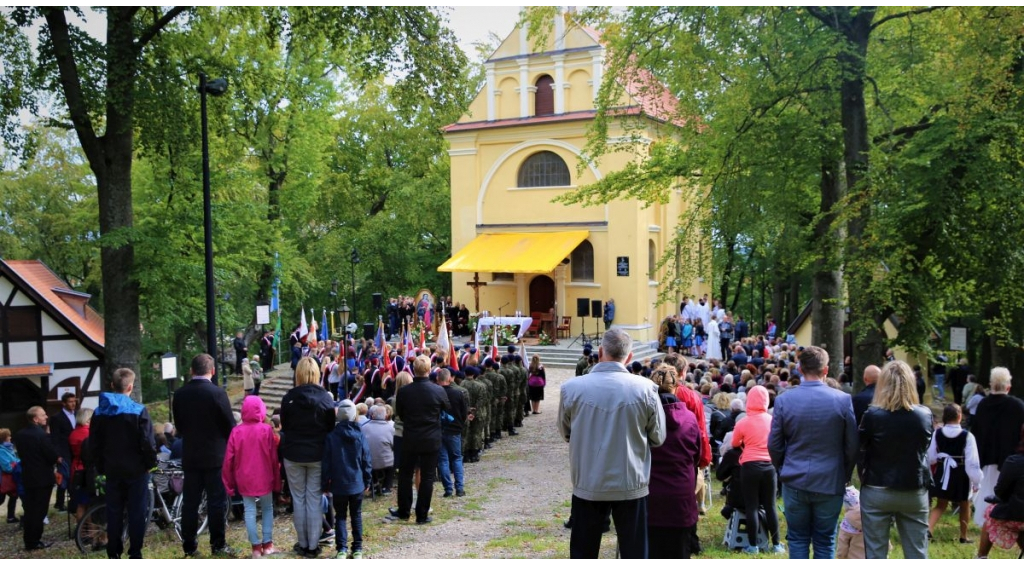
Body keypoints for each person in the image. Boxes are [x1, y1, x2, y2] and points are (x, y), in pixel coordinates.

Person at [557, 329, 667, 559]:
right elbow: (658, 437)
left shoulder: (572, 388)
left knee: (583, 552)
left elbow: (565, 431)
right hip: (630, 481)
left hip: (589, 480)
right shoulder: (645, 389)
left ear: (600, 352)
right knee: (635, 552)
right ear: (629, 356)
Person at [768, 346, 858, 559]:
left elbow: (774, 444)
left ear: (799, 369)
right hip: (829, 480)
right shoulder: (842, 400)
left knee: (798, 539)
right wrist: (844, 474)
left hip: (795, 477)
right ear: (825, 370)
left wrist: (782, 468)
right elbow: (852, 445)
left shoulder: (784, 400)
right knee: (825, 540)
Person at [858, 360, 933, 559]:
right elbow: (924, 447)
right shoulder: (924, 415)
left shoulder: (873, 415)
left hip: (877, 487)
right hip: (914, 487)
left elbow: (860, 447)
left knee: (875, 552)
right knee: (917, 552)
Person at [91, 368, 159, 560]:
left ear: (112, 385)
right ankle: (135, 552)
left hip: (112, 469)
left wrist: (101, 466)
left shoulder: (99, 413)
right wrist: (150, 463)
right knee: (137, 512)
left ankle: (113, 551)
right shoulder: (138, 410)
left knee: (114, 512)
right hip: (136, 469)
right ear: (130, 386)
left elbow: (94, 443)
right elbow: (147, 442)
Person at [173, 354, 236, 557]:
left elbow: (180, 427)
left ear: (192, 371)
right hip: (215, 456)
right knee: (216, 501)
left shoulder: (180, 394)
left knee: (190, 503)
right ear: (213, 371)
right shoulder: (217, 394)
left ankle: (189, 546)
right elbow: (229, 425)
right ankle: (218, 544)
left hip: (191, 455)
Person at [279, 356, 336, 557]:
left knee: (299, 498)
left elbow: (284, 426)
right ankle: (313, 545)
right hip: (318, 453)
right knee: (313, 499)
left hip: (293, 453)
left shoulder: (288, 398)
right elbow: (330, 427)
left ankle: (303, 543)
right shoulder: (326, 398)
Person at [387, 355, 450, 524]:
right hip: (431, 438)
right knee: (428, 476)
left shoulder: (404, 392)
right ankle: (422, 515)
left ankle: (404, 511)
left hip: (411, 437)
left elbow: (399, 412)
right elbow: (446, 407)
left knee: (405, 475)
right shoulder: (438, 390)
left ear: (414, 370)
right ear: (429, 370)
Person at [646, 365, 700, 558]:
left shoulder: (644, 418)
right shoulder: (689, 419)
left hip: (651, 496)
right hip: (681, 495)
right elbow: (696, 455)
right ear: (676, 387)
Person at [222, 395, 280, 558]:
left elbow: (228, 459)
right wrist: (276, 478)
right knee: (267, 507)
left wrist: (229, 482)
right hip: (264, 474)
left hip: (244, 477)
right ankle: (267, 544)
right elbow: (273, 457)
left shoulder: (236, 431)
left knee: (249, 510)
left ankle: (255, 547)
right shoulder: (266, 430)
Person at [732, 385, 784, 554]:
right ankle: (776, 544)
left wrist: (745, 445)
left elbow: (734, 444)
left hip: (749, 466)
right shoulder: (773, 420)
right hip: (769, 466)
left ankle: (753, 546)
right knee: (770, 505)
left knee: (751, 506)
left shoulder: (743, 422)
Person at [973, 367, 1024, 527]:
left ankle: (983, 521)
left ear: (991, 384)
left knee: (986, 490)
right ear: (1008, 386)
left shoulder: (982, 404)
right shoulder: (1018, 406)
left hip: (986, 455)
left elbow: (976, 431)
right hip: (1011, 459)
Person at [323, 400, 372, 559]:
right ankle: (357, 548)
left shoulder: (331, 436)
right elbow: (366, 459)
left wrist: (325, 483)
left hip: (339, 483)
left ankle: (342, 549)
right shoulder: (359, 434)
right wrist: (367, 479)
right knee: (356, 515)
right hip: (356, 481)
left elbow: (327, 463)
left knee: (341, 516)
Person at [928, 403, 982, 543]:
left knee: (941, 504)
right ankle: (963, 536)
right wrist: (976, 480)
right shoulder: (967, 436)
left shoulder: (937, 433)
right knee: (964, 504)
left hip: (943, 471)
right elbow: (972, 462)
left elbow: (931, 456)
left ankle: (929, 529)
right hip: (960, 473)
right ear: (960, 416)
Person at [13, 406, 59, 551]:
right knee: (39, 510)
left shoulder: (20, 434)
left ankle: (29, 539)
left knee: (30, 509)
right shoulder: (41, 435)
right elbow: (51, 455)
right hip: (42, 477)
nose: (46, 417)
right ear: (35, 418)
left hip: (28, 475)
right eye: (43, 415)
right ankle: (35, 540)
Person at [976, 423, 1024, 558]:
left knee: (991, 513)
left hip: (1016, 513)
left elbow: (1000, 491)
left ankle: (981, 556)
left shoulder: (1014, 461)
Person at [436, 369, 468, 498]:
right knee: (456, 458)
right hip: (454, 429)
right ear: (450, 379)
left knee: (443, 460)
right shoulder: (458, 393)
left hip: (438, 430)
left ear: (438, 379)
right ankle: (459, 488)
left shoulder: (435, 393)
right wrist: (459, 424)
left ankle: (448, 489)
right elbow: (464, 412)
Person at [50, 391, 76, 512]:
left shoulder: (77, 414)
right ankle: (59, 502)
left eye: (74, 401)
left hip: (74, 449)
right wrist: (57, 454)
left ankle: (73, 499)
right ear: (64, 403)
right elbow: (55, 437)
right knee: (64, 476)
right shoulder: (57, 418)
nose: (73, 404)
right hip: (64, 450)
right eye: (70, 402)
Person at [361, 405, 395, 494]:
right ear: (385, 416)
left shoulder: (363, 428)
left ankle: (375, 484)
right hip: (386, 462)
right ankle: (386, 487)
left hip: (368, 462)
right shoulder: (391, 428)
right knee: (392, 458)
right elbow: (394, 445)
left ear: (372, 415)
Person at [68, 408, 93, 522]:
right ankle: (92, 532)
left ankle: (82, 531)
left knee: (81, 504)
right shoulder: (88, 433)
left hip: (76, 468)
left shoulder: (73, 433)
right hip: (87, 470)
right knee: (91, 503)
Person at [0, 429, 19, 524]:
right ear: (4, 438)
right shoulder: (1, 451)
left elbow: (15, 460)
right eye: (9, 436)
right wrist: (16, 466)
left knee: (14, 496)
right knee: (1, 498)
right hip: (4, 479)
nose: (10, 437)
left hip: (11, 478)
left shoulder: (9, 449)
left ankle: (11, 517)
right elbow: (6, 466)